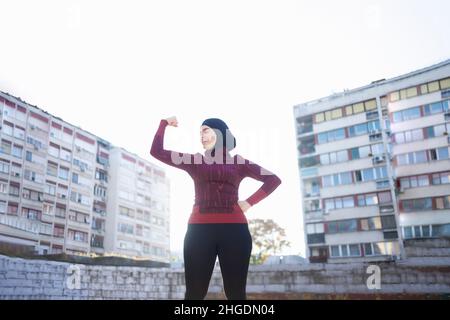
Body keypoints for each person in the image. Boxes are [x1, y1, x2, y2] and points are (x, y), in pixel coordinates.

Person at [150, 116, 282, 300]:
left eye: (205, 130)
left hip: (235, 232)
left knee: (236, 295)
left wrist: (249, 202)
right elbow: (156, 152)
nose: (201, 135)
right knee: (194, 295)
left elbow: (273, 180)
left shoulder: (239, 162)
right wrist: (163, 124)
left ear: (219, 133)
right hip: (199, 232)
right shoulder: (194, 160)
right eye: (199, 132)